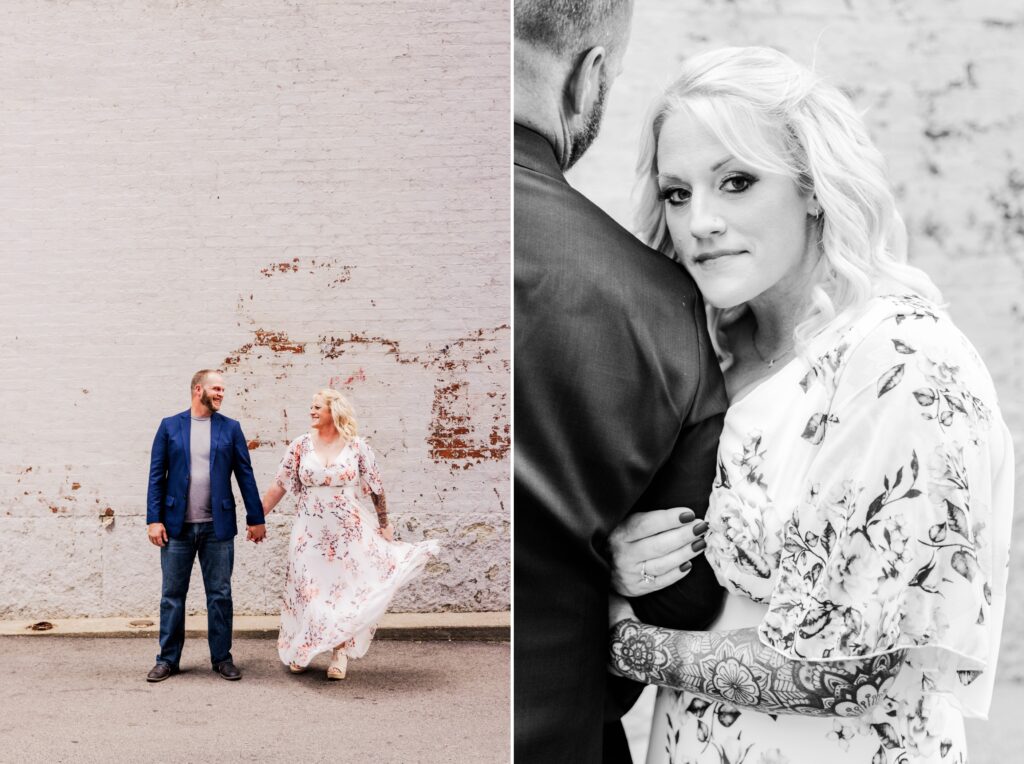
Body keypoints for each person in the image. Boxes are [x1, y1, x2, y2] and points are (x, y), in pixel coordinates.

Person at [606, 47, 1013, 763]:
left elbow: (843, 674)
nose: (700, 221)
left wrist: (614, 638)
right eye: (678, 193)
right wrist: (634, 565)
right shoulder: (707, 356)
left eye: (736, 183)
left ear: (814, 187)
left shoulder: (900, 361)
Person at [514, 1, 729, 760]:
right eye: (680, 194)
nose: (703, 224)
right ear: (588, 77)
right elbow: (684, 596)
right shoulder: (668, 309)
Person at [261, 389, 439, 680]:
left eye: (317, 407)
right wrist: (256, 519)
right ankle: (304, 646)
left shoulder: (356, 447)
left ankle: (339, 651)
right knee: (308, 589)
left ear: (334, 411)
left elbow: (376, 486)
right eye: (311, 406)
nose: (312, 411)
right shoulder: (300, 446)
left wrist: (384, 522)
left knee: (341, 591)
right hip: (309, 530)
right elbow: (278, 486)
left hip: (347, 532)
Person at [145, 369, 266, 682]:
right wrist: (154, 519)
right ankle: (167, 659)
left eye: (223, 389)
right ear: (198, 389)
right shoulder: (170, 426)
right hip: (176, 528)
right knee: (172, 595)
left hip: (218, 527)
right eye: (216, 388)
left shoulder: (231, 428)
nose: (221, 394)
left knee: (220, 595)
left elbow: (245, 475)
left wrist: (256, 519)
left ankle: (222, 658)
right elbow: (157, 475)